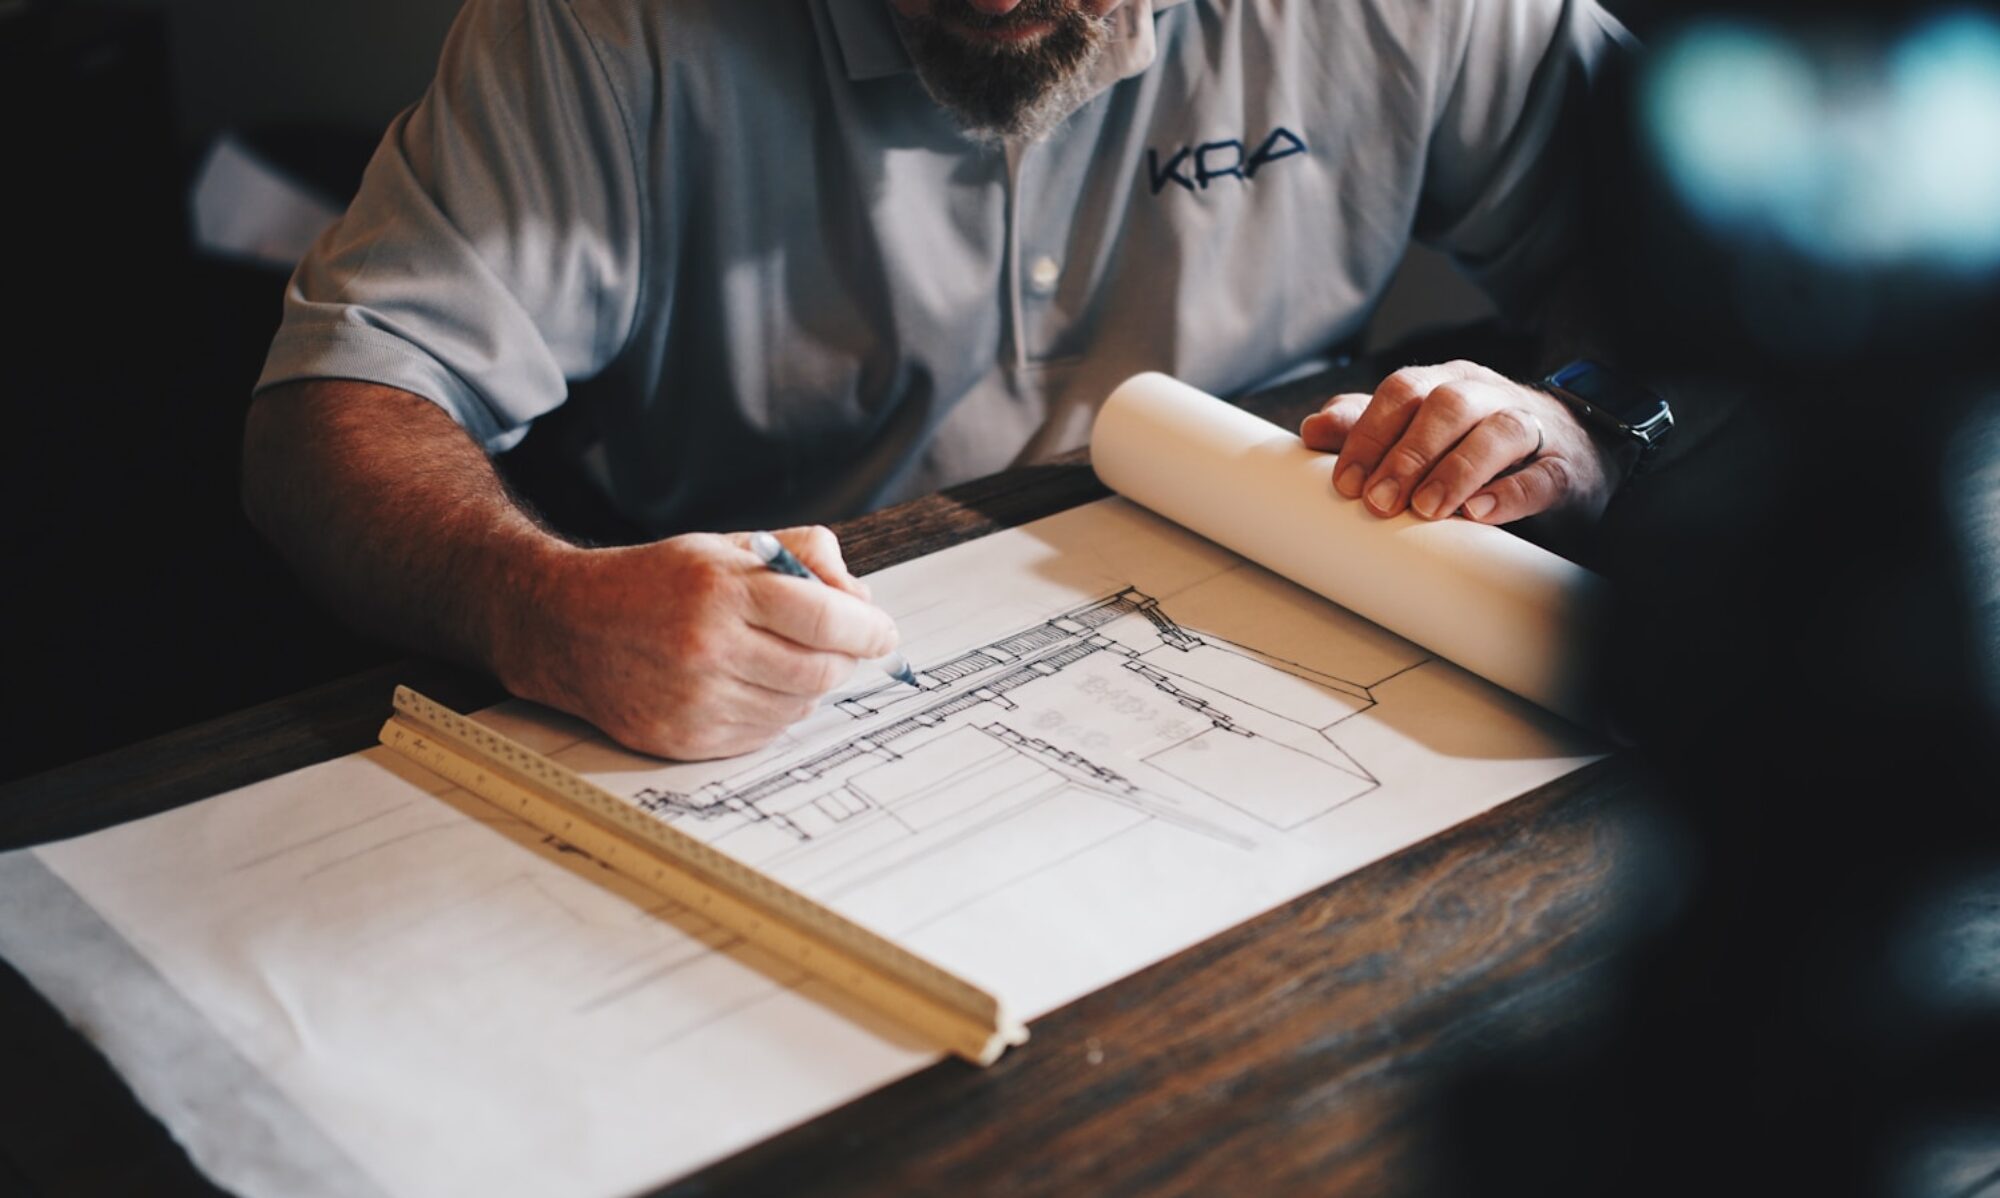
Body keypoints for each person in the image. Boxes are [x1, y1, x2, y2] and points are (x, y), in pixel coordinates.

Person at [243, 0, 1632, 760]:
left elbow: (1732, 275)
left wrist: (1579, 416)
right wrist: (535, 604)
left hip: (1308, 686)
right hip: (772, 702)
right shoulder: (605, 31)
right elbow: (334, 411)